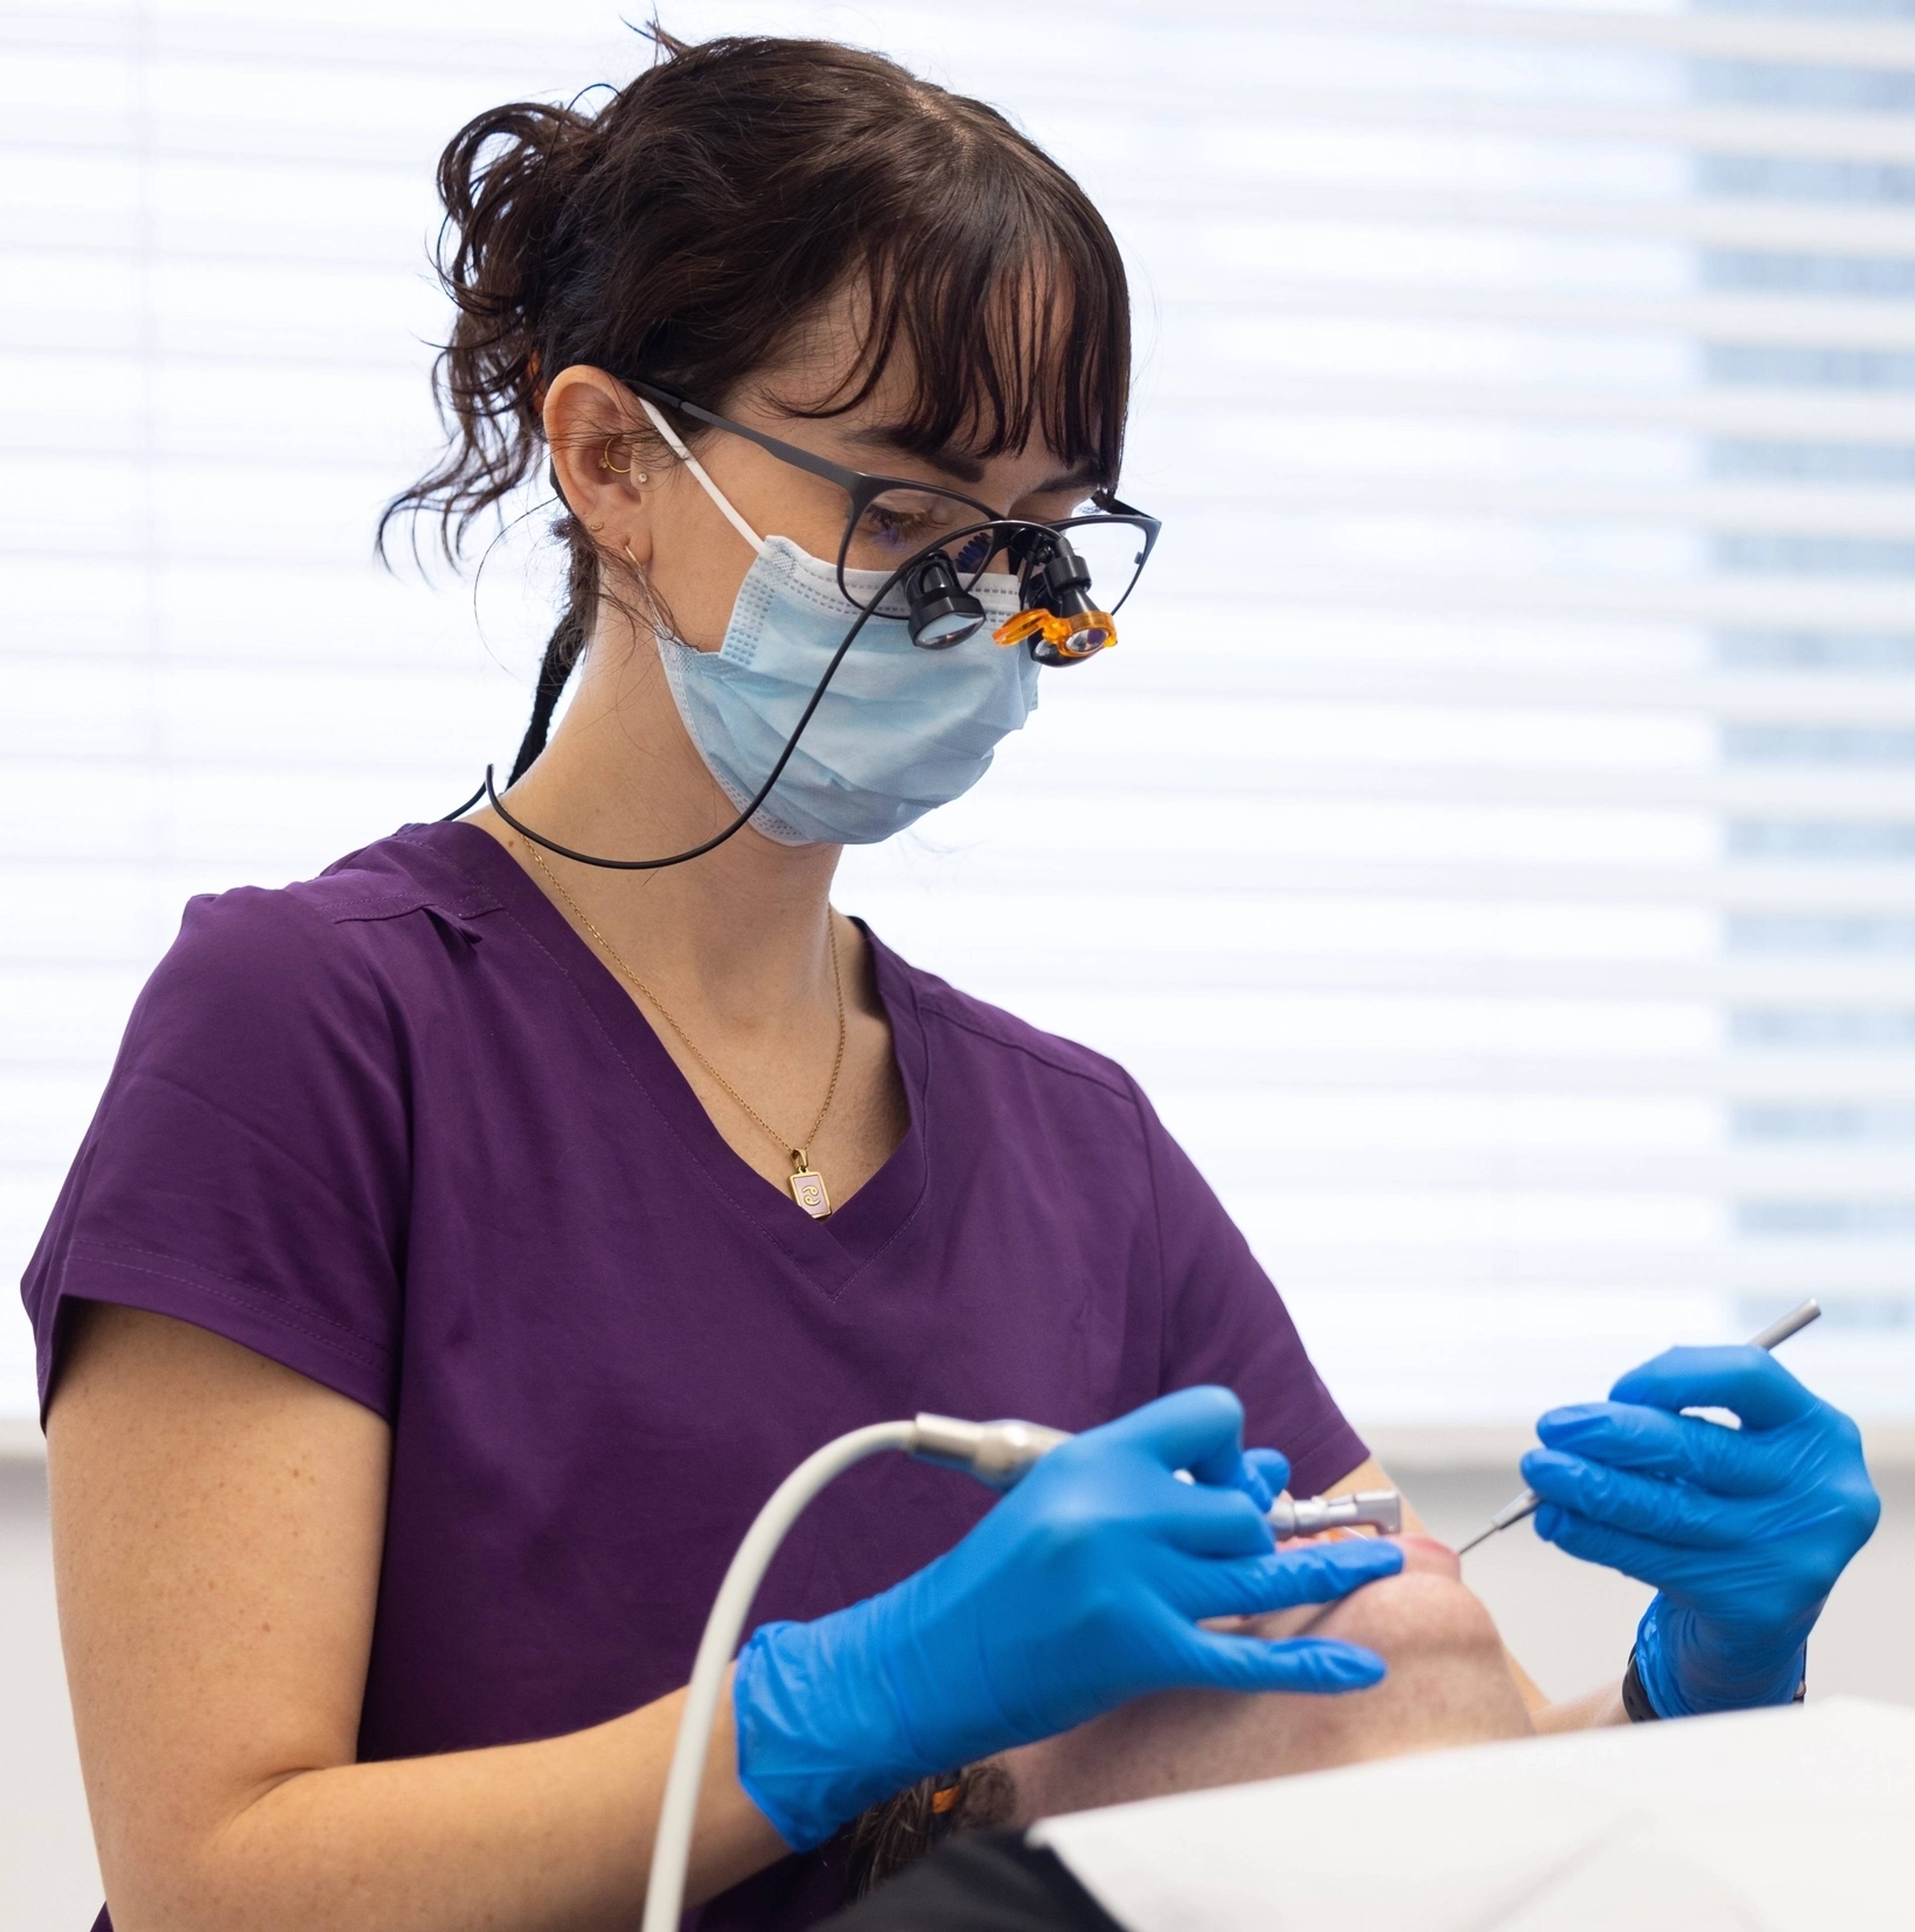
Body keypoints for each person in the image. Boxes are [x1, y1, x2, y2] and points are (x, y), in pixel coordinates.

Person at [23, 29, 1879, 1932]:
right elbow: (213, 1880)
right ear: (609, 461)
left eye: (1035, 534)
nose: (980, 602)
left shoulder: (1076, 1152)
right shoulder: (318, 1028)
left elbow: (1404, 1759)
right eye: (904, 511)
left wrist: (1698, 1681)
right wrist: (827, 1710)